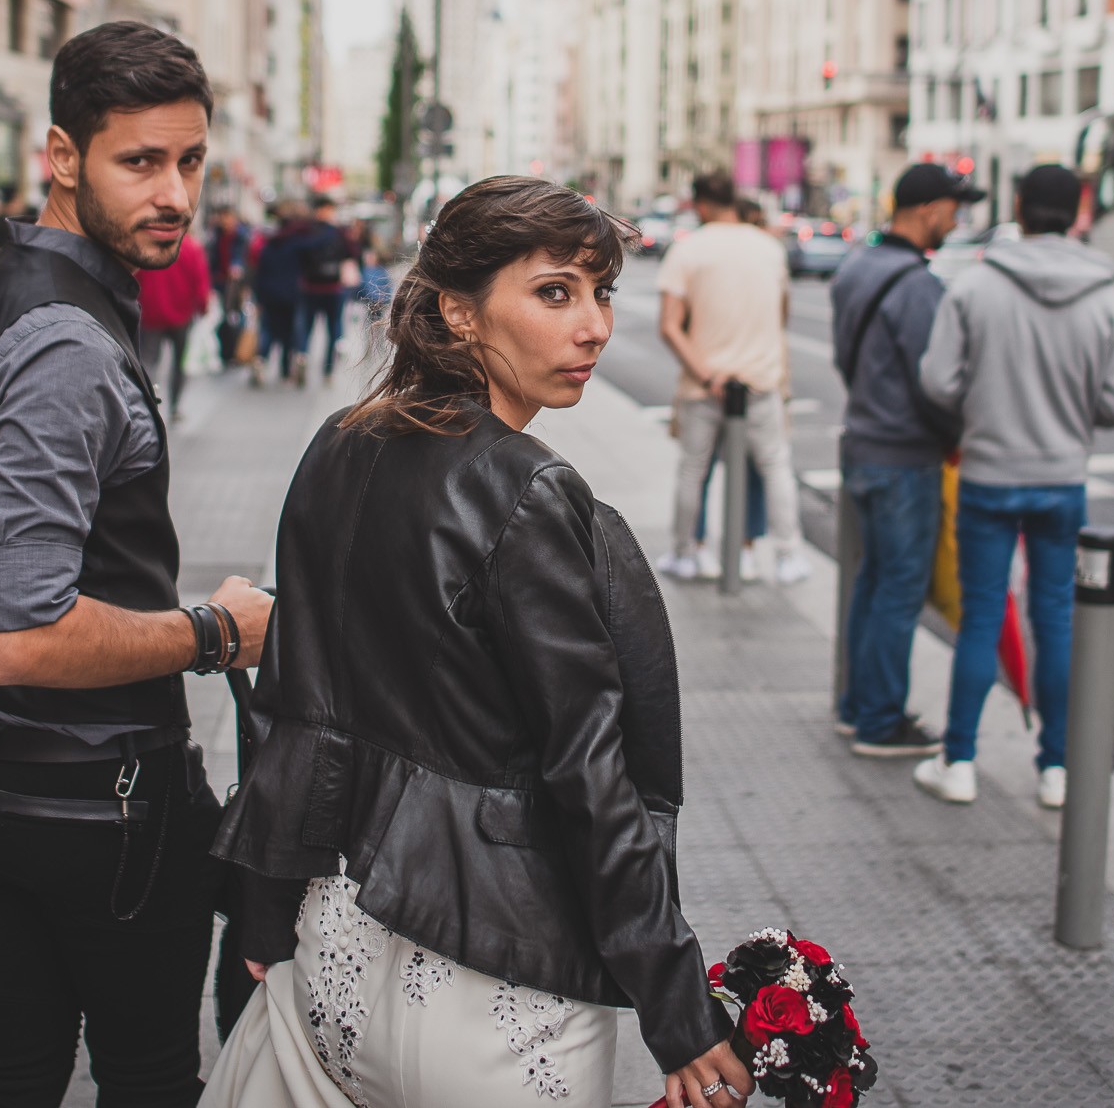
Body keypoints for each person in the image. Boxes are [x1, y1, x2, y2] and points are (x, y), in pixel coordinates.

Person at [204, 176, 749, 1108]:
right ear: (458, 312)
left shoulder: (342, 439)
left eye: (601, 291)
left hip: (330, 948)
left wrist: (260, 906)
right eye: (554, 292)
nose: (595, 326)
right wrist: (678, 1007)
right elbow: (590, 772)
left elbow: (296, 702)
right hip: (493, 981)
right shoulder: (527, 487)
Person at [0, 20, 274, 1107]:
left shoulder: (5, 280)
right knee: (149, 1080)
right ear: (63, 156)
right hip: (86, 802)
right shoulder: (67, 338)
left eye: (190, 161)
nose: (173, 193)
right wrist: (214, 633)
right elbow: (17, 635)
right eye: (140, 162)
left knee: (13, 1075)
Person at [915, 164, 1114, 808]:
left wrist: (981, 405)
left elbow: (937, 381)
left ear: (1018, 206)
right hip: (1062, 477)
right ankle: (1057, 768)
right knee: (1058, 620)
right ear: (1076, 213)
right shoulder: (1107, 294)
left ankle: (958, 761)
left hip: (988, 472)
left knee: (982, 617)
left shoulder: (978, 286)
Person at [829, 163, 975, 759]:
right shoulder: (918, 285)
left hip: (861, 442)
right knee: (899, 589)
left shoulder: (855, 267)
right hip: (904, 454)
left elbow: (846, 359)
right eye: (952, 207)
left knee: (871, 582)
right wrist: (956, 434)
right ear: (927, 210)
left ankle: (855, 706)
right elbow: (937, 383)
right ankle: (881, 721)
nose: (957, 219)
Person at [655, 171, 809, 585]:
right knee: (775, 466)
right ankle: (787, 554)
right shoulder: (768, 248)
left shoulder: (688, 251)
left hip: (703, 384)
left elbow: (669, 325)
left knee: (693, 471)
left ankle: (687, 553)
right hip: (761, 380)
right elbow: (781, 316)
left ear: (700, 205)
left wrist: (707, 375)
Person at [134, 224, 210, 422]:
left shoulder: (149, 244)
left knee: (149, 361)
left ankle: (147, 406)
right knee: (180, 363)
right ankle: (175, 407)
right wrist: (202, 307)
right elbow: (200, 281)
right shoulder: (192, 248)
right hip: (182, 314)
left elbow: (136, 276)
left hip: (151, 311)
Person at [293, 195, 356, 386]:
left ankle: (303, 356)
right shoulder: (338, 232)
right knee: (333, 326)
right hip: (333, 287)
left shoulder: (307, 231)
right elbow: (352, 253)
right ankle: (328, 369)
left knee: (306, 326)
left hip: (309, 286)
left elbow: (298, 255)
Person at [250, 201, 310, 386]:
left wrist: (258, 297)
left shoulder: (267, 247)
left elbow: (259, 274)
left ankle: (261, 360)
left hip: (269, 295)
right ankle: (289, 367)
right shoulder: (297, 247)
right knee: (290, 332)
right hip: (292, 294)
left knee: (268, 329)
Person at [206, 203, 252, 366]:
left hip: (235, 285)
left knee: (235, 317)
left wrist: (239, 270)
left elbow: (244, 258)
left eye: (228, 217)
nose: (225, 221)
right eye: (223, 217)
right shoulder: (215, 235)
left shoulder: (242, 236)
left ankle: (235, 351)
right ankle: (224, 351)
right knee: (220, 317)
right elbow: (211, 257)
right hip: (219, 281)